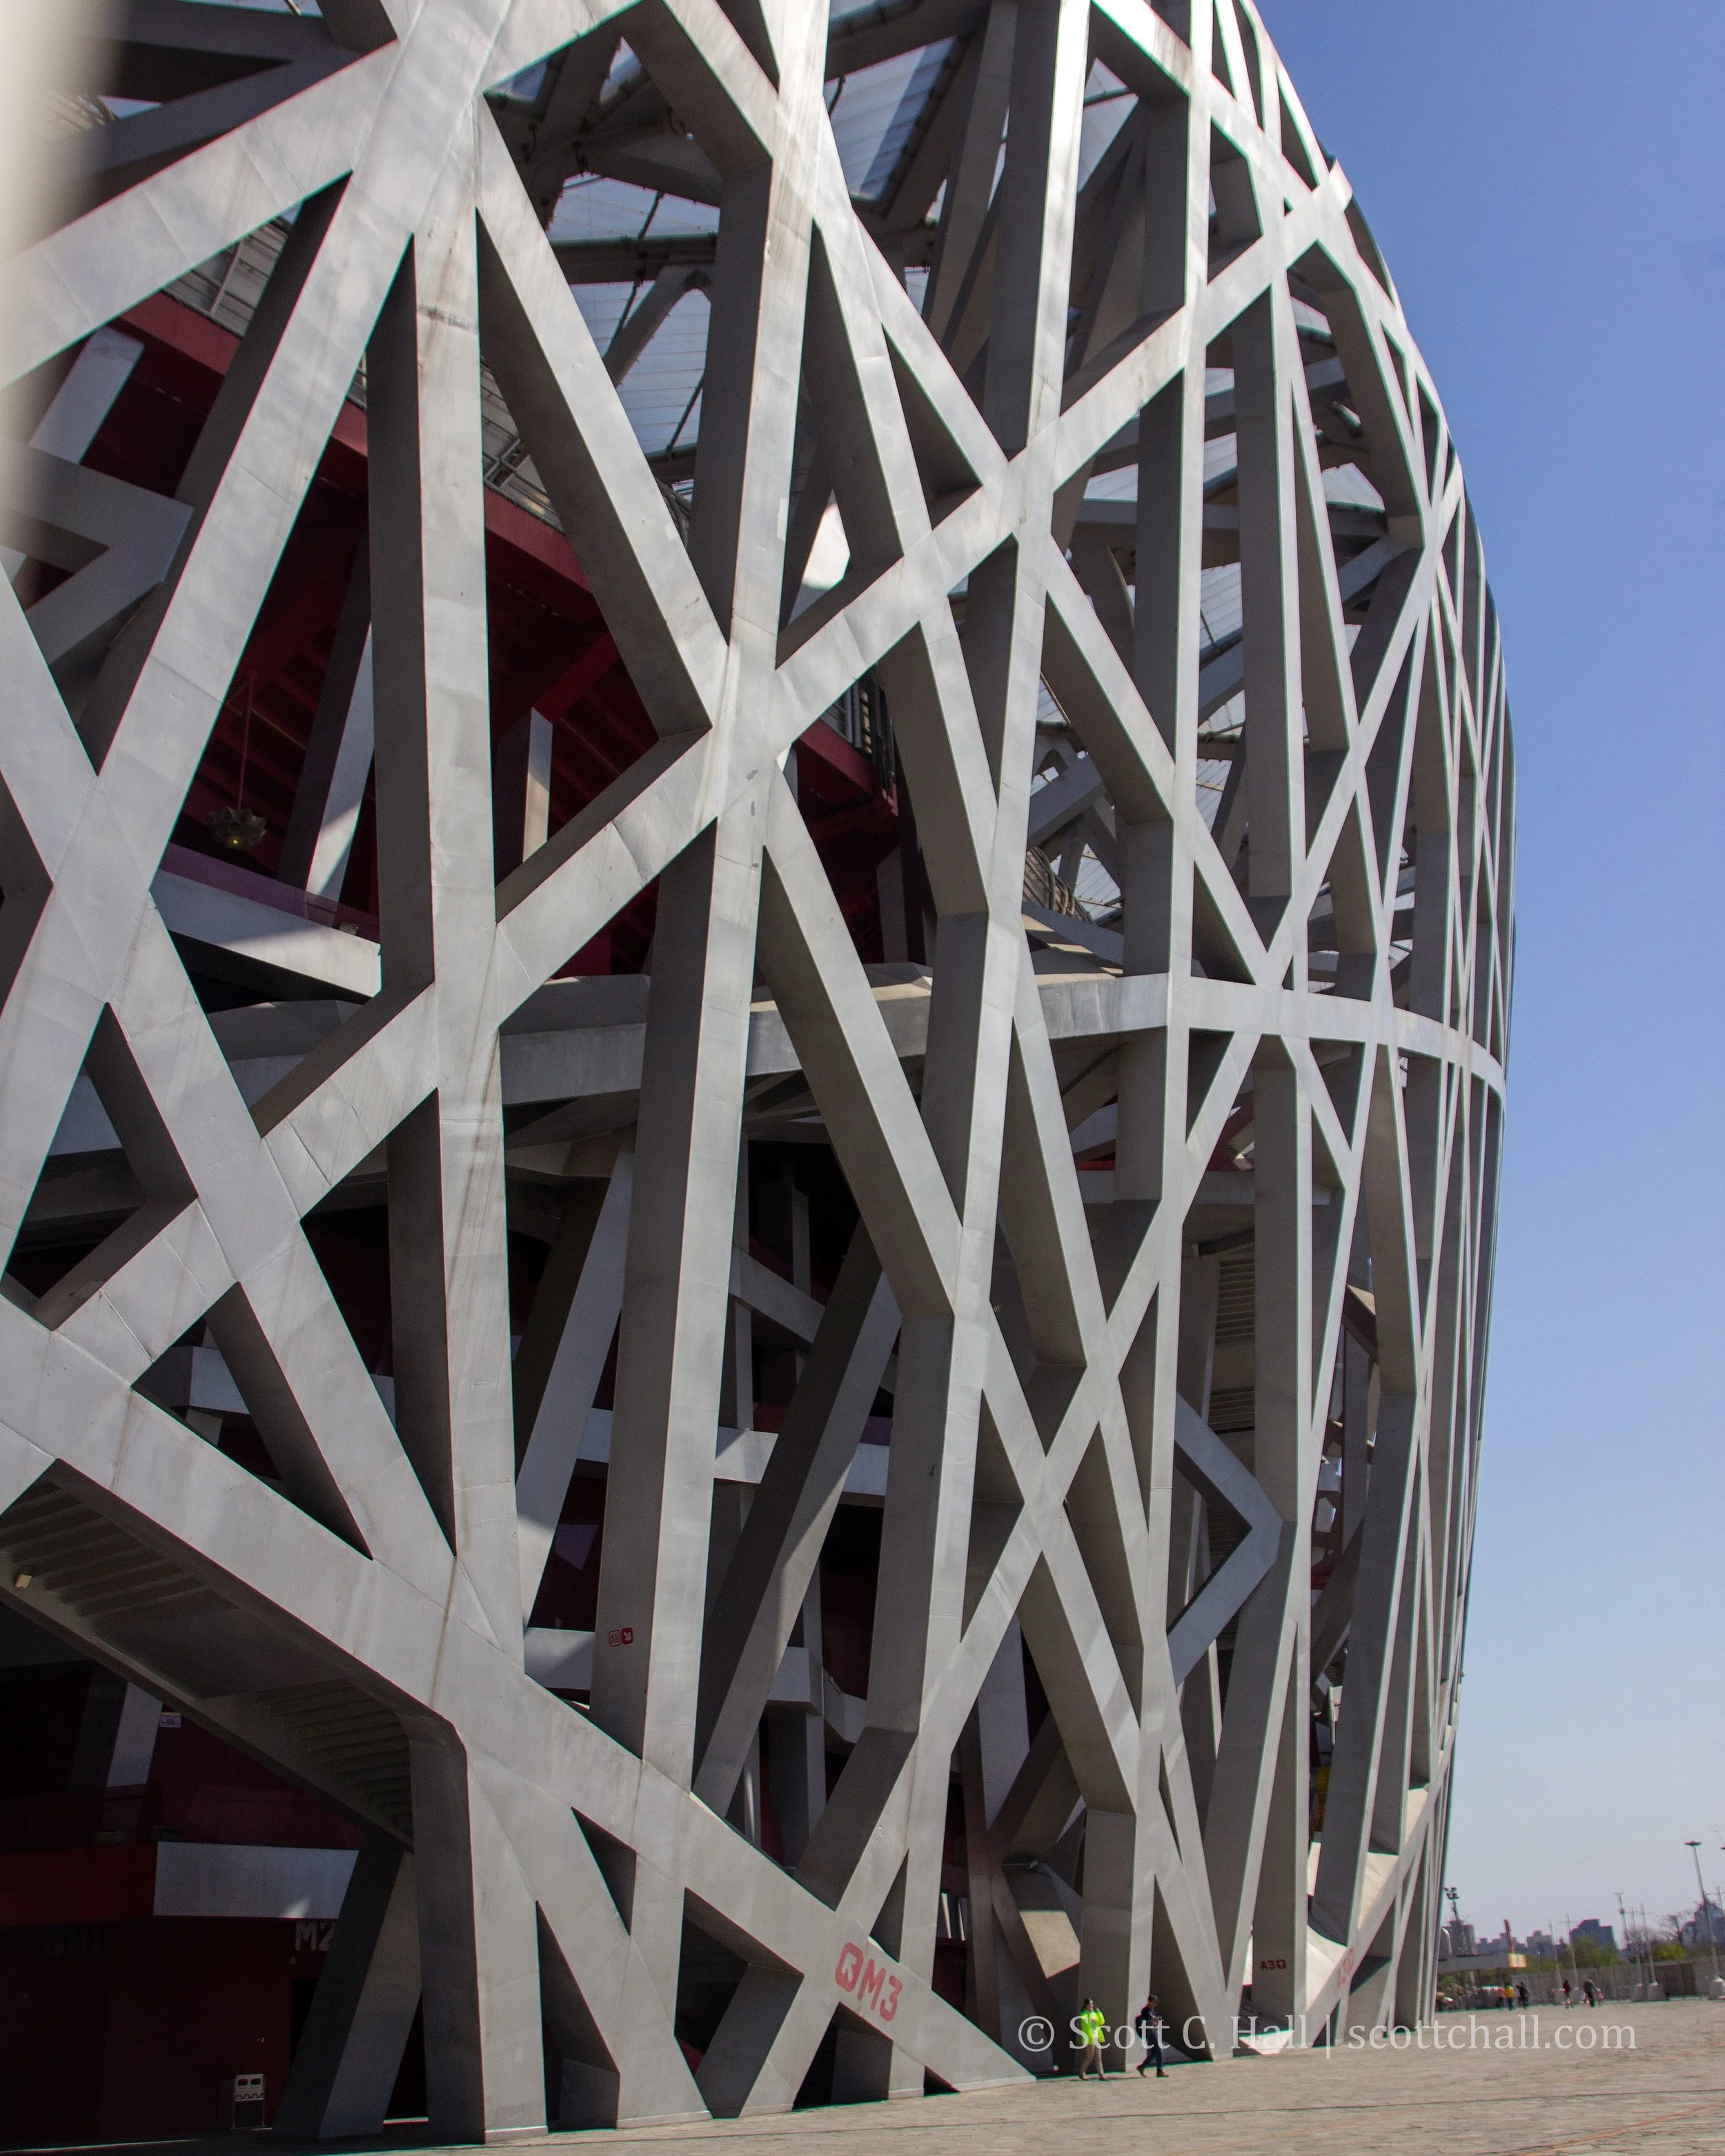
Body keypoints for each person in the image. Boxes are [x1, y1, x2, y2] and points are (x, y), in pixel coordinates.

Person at [1134, 1995, 1166, 2077]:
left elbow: (1155, 2019)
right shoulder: (1145, 2011)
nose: (1155, 2004)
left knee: (1155, 2052)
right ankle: (1160, 2071)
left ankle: (1142, 2067)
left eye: (1156, 2003)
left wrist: (1159, 2019)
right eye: (1154, 2002)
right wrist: (1156, 2019)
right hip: (1149, 2033)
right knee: (1159, 2051)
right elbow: (1150, 2019)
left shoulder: (1152, 2011)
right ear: (1149, 2002)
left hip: (1153, 2032)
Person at [1077, 1997, 1107, 2080]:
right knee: (1090, 2057)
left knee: (1099, 2057)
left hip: (1096, 2036)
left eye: (1092, 2004)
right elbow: (1086, 2023)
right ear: (1086, 2005)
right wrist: (1090, 2014)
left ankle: (1101, 2075)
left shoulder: (1094, 2014)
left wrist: (1099, 2013)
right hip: (1090, 2038)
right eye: (1090, 2004)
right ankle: (1082, 2073)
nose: (1091, 2006)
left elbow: (1102, 2022)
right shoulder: (1084, 2014)